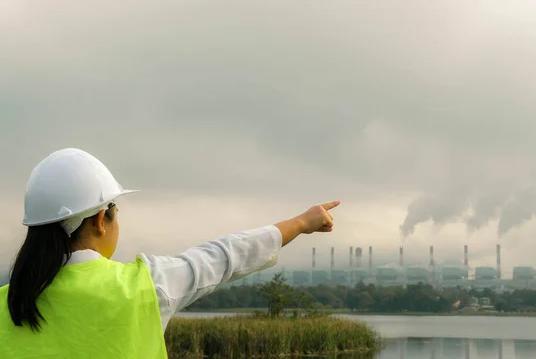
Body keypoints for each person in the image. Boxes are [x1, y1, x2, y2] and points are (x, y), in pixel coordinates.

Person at [0, 148, 340, 358]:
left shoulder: (5, 303)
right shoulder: (144, 287)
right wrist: (301, 223)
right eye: (115, 209)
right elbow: (225, 256)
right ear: (101, 220)